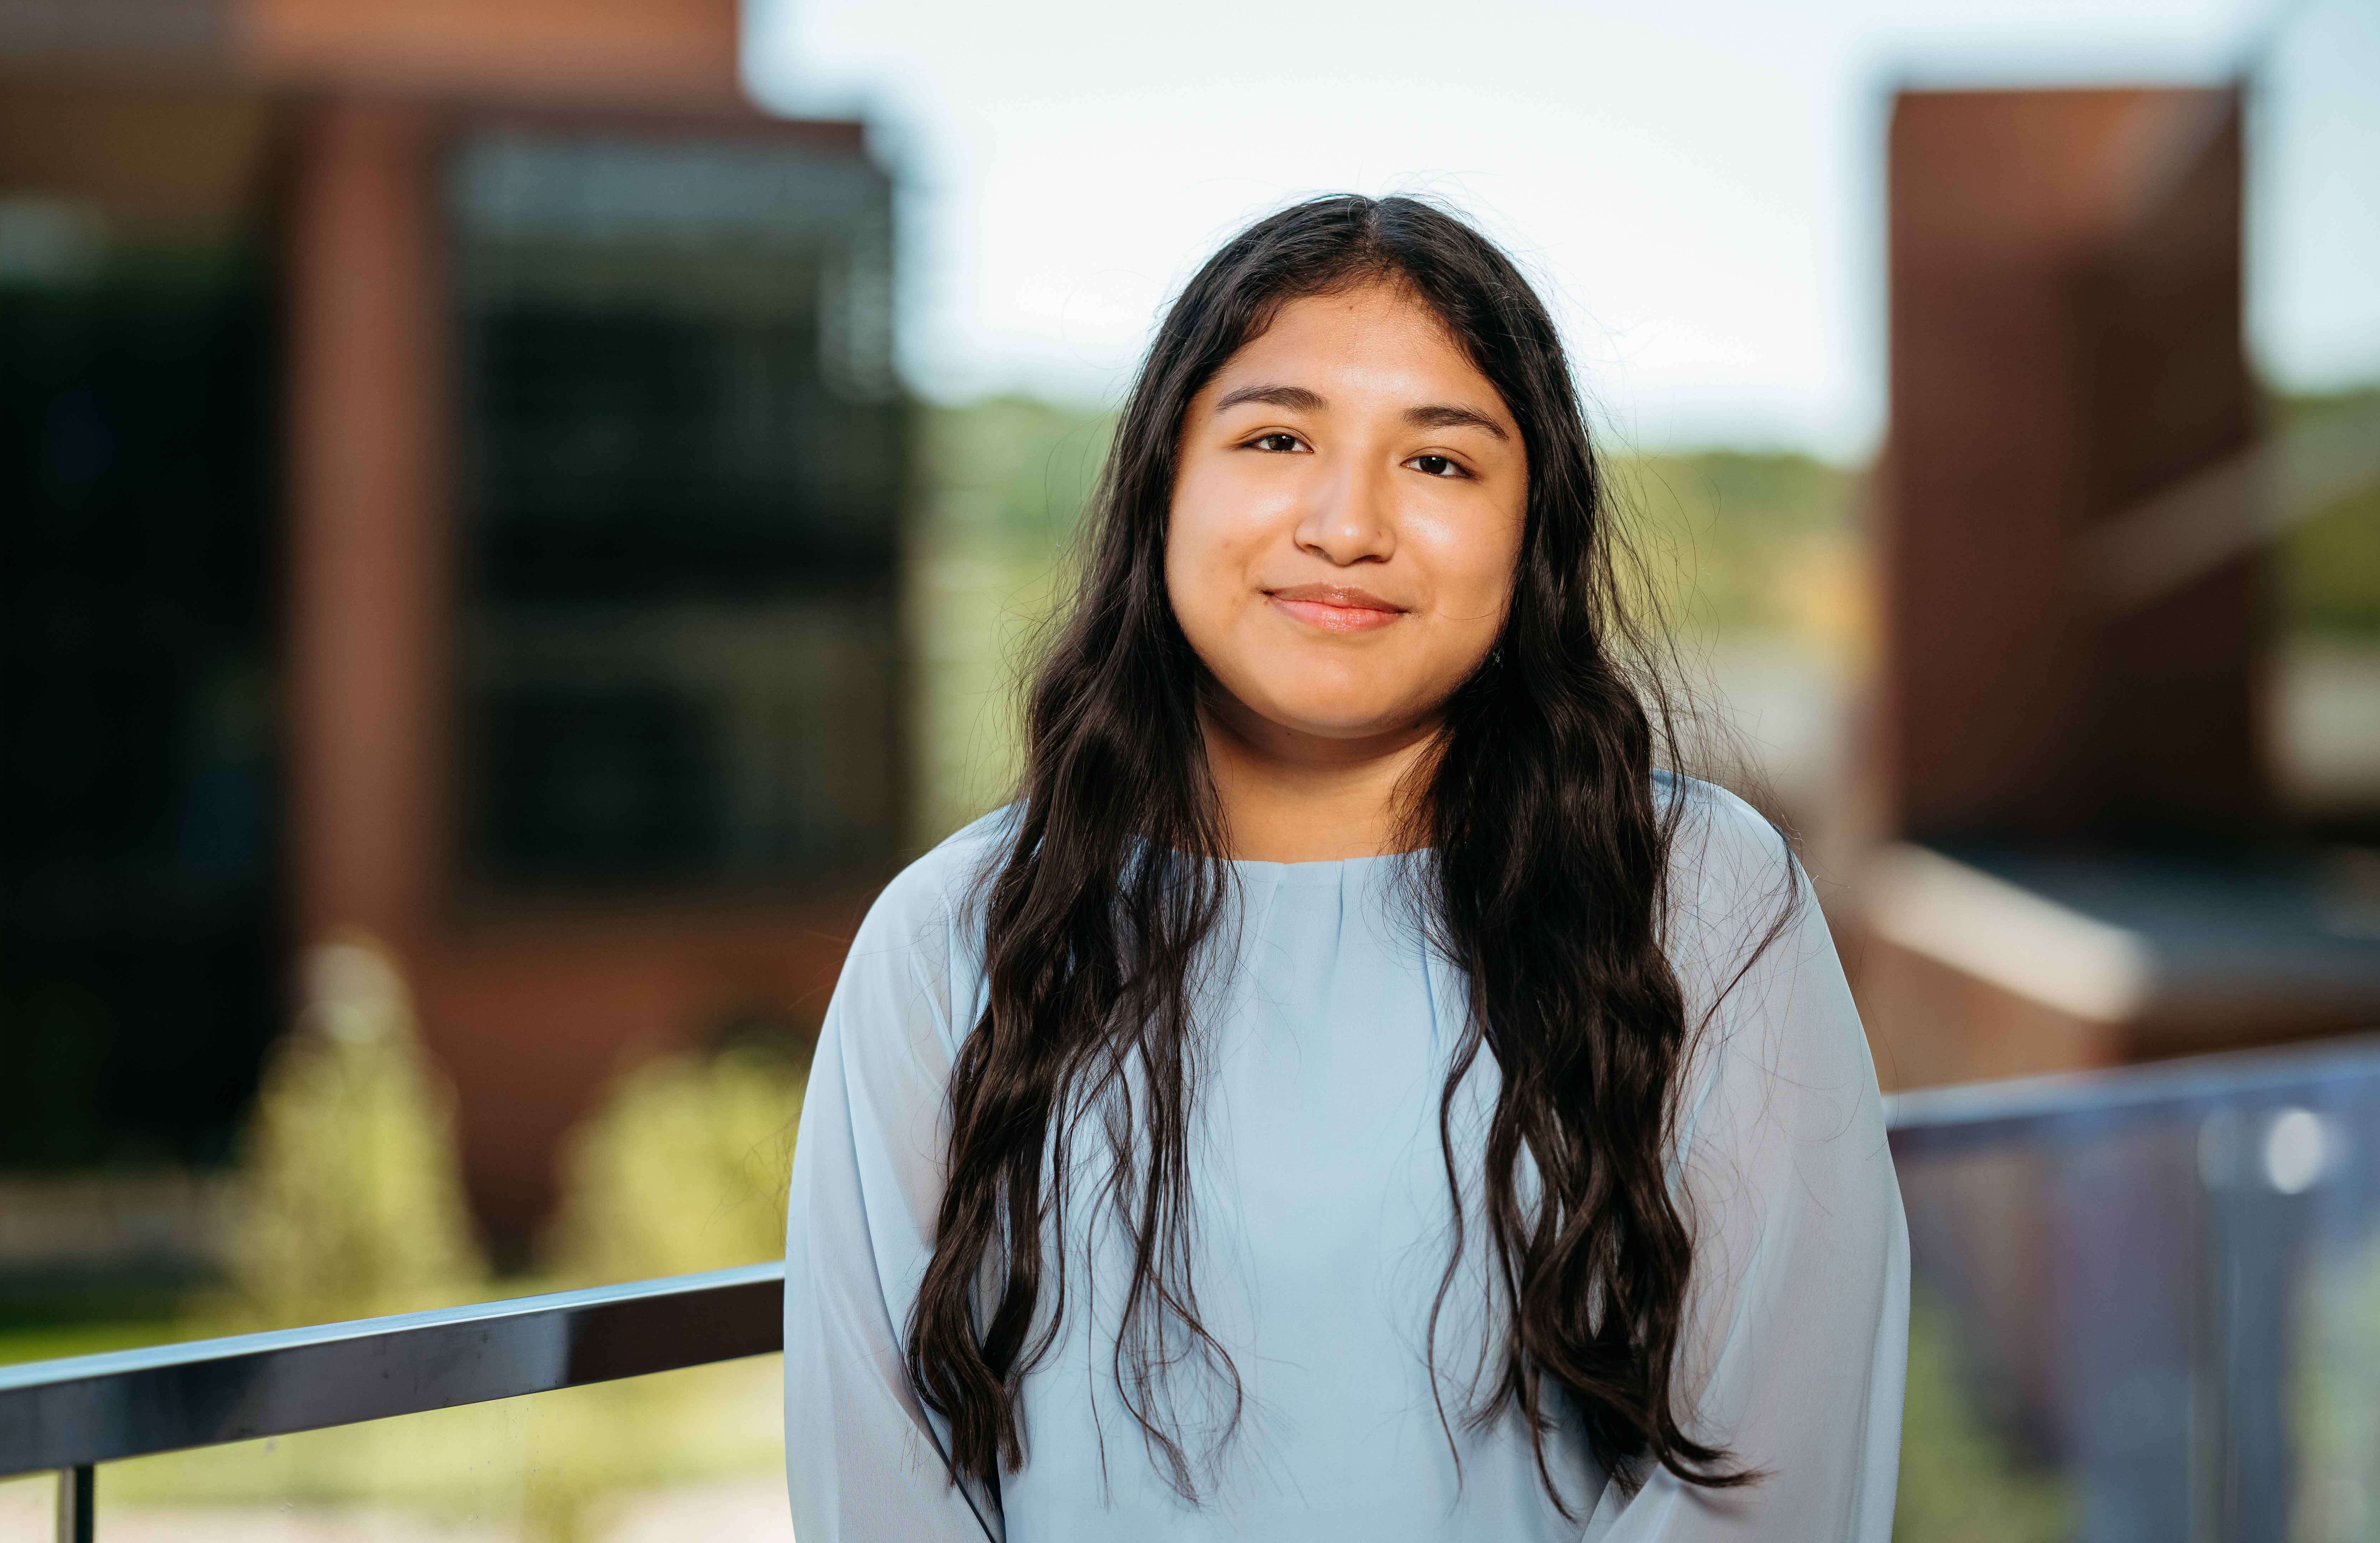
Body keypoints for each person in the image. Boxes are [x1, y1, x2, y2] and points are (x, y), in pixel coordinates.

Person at [784, 195, 1906, 1541]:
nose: (1346, 522)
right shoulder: (950, 935)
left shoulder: (1700, 897)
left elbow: (1770, 1462)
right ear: (1164, 487)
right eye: (1275, 437)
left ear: (1530, 530)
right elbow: (880, 1481)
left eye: (1439, 464)